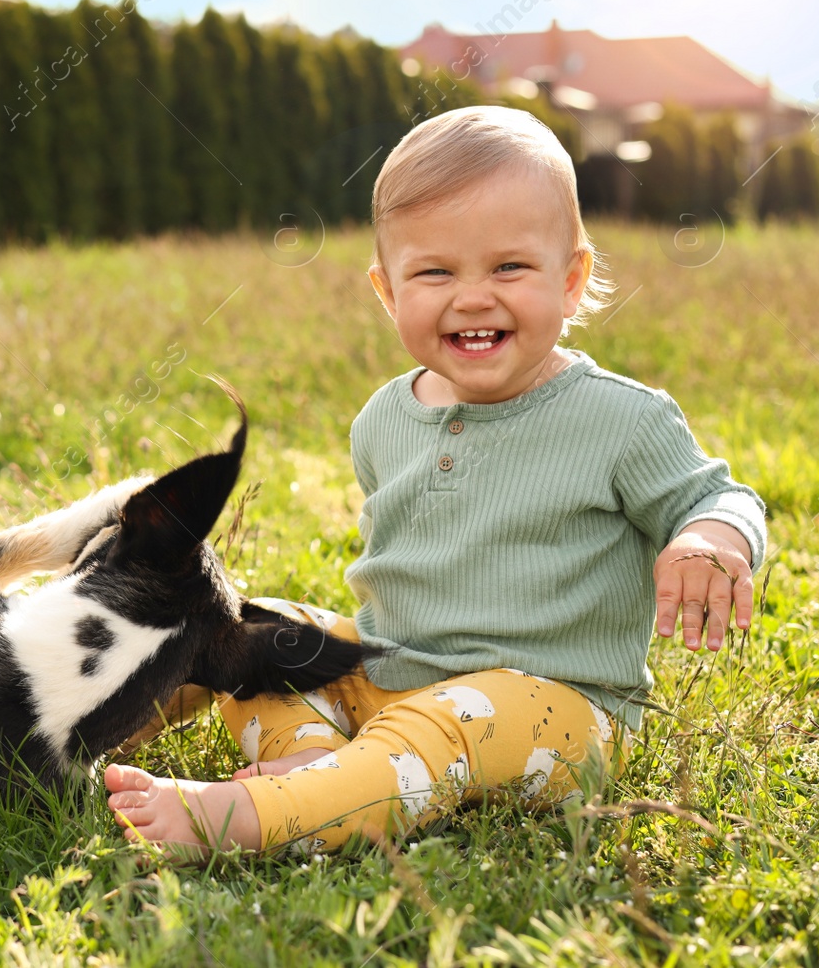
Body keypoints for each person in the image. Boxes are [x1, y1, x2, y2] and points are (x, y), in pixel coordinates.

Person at [104, 105, 767, 855]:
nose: (473, 295)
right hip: (389, 667)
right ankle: (308, 765)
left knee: (446, 723)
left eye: (509, 266)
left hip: (552, 708)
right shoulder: (385, 417)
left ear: (572, 278)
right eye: (435, 271)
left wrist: (710, 539)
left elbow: (717, 495)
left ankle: (258, 816)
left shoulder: (620, 419)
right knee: (243, 630)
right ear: (388, 292)